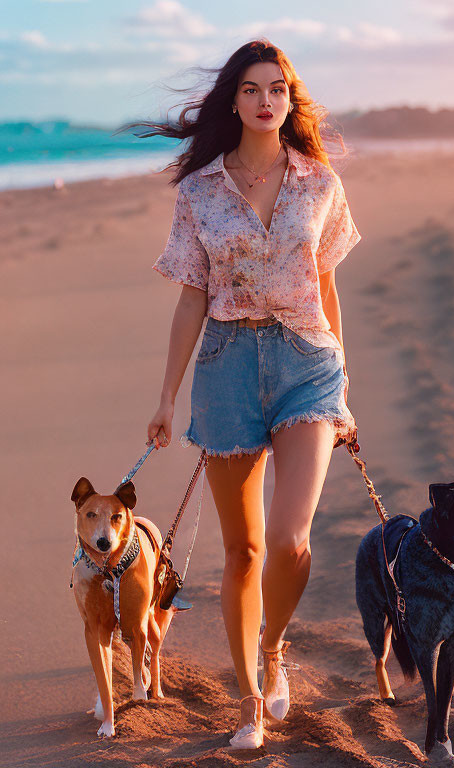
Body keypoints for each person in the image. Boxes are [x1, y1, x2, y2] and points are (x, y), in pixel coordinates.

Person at [127, 39, 362, 749]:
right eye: (254, 89)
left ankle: (273, 648)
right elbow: (192, 298)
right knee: (244, 552)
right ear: (233, 99)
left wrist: (343, 387)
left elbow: (326, 287)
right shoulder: (200, 192)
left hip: (307, 363)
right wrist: (167, 397)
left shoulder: (319, 182)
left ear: (291, 102)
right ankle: (251, 702)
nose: (267, 101)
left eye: (279, 90)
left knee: (291, 542)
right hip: (227, 365)